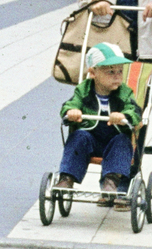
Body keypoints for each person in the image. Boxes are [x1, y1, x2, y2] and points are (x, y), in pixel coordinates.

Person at [57, 43, 144, 210]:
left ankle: (111, 181)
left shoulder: (124, 92)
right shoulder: (84, 90)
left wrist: (124, 116)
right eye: (110, 72)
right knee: (78, 136)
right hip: (90, 139)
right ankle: (67, 177)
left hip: (114, 139)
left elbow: (134, 110)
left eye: (120, 71)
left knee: (122, 141)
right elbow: (69, 104)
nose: (117, 77)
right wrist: (72, 111)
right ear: (93, 72)